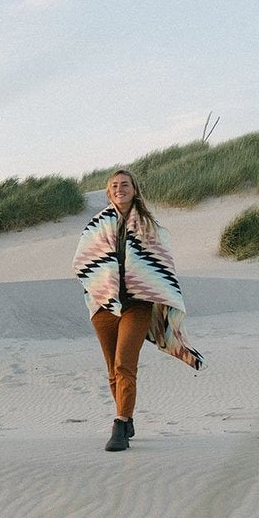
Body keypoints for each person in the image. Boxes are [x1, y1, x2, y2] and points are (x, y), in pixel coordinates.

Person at [72, 169, 203, 452]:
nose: (120, 189)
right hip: (104, 306)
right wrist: (99, 287)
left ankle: (120, 424)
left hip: (138, 304)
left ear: (134, 189)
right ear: (109, 192)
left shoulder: (150, 227)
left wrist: (148, 285)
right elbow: (82, 264)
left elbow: (162, 265)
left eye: (125, 184)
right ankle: (126, 415)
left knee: (124, 363)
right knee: (111, 369)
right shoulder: (94, 227)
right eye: (115, 186)